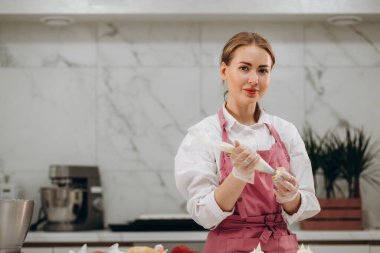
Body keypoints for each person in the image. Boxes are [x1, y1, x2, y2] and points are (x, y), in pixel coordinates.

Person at [174, 32, 320, 253]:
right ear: (224, 71)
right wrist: (238, 176)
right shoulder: (203, 135)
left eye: (263, 70)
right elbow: (203, 214)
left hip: (280, 246)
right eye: (244, 68)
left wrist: (291, 197)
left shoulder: (285, 131)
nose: (254, 80)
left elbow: (307, 203)